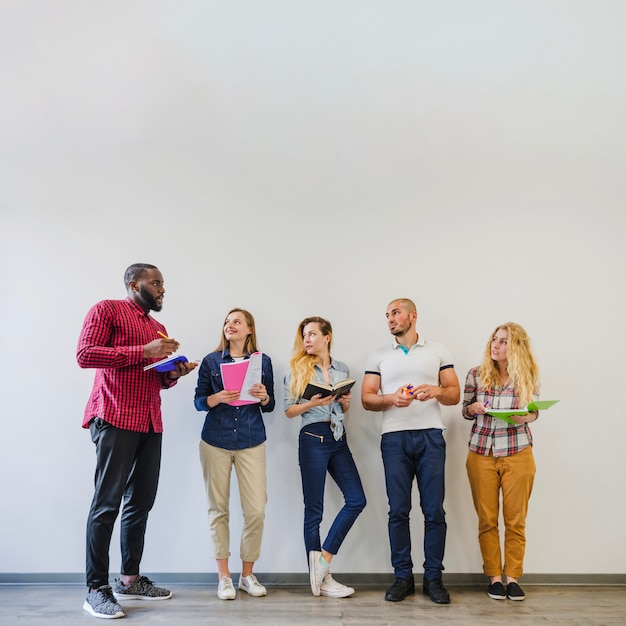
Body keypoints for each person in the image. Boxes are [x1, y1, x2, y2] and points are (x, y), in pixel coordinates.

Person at [77, 263, 197, 620]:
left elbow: (155, 380)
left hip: (149, 421)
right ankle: (96, 589)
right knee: (106, 504)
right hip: (114, 416)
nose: (162, 289)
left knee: (140, 503)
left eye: (163, 284)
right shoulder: (107, 309)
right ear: (134, 284)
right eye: (156, 282)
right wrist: (142, 352)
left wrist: (173, 372)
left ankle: (129, 581)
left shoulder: (157, 327)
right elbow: (86, 355)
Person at [361, 298, 459, 604]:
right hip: (394, 439)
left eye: (396, 313)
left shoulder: (438, 351)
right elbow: (366, 398)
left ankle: (433, 579)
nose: (390, 319)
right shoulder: (378, 355)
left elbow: (454, 393)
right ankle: (402, 577)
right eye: (387, 315)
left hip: (430, 437)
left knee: (434, 511)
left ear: (413, 316)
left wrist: (436, 391)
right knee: (398, 511)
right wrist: (391, 399)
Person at [194, 308, 275, 601]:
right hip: (215, 441)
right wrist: (216, 398)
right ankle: (224, 577)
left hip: (252, 441)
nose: (231, 325)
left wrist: (263, 395)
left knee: (255, 511)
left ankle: (246, 575)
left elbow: (270, 404)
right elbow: (199, 402)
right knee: (219, 509)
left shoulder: (262, 361)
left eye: (237, 321)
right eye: (227, 322)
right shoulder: (211, 361)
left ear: (249, 329)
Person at [284, 316, 366, 598]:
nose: (307, 340)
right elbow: (289, 410)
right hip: (312, 439)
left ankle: (322, 563)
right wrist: (312, 403)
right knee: (314, 511)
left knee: (357, 499)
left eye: (312, 334)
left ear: (327, 337)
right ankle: (323, 579)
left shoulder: (342, 368)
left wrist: (345, 404)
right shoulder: (298, 368)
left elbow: (343, 411)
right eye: (305, 335)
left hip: (338, 437)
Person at [462, 322, 540, 602]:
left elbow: (534, 412)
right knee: (487, 519)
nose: (496, 345)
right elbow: (465, 410)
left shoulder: (528, 376)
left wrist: (527, 416)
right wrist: (473, 408)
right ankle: (495, 578)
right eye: (495, 340)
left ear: (516, 346)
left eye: (504, 341)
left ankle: (513, 579)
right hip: (481, 453)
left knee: (516, 520)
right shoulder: (476, 374)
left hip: (518, 452)